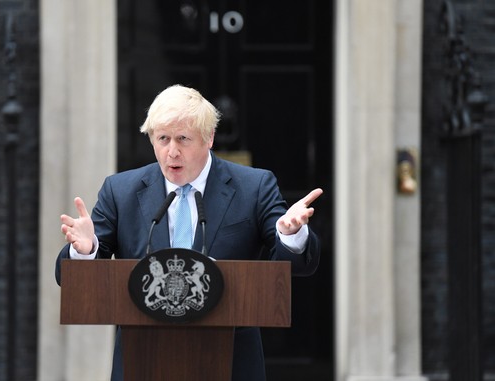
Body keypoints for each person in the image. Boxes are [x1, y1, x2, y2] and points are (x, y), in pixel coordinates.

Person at [55, 84, 323, 381]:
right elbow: (72, 278)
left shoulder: (254, 187)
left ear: (209, 138)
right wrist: (84, 250)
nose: (172, 152)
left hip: (231, 361)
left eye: (183, 139)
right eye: (163, 139)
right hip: (142, 360)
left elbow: (296, 265)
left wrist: (291, 235)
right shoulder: (121, 191)